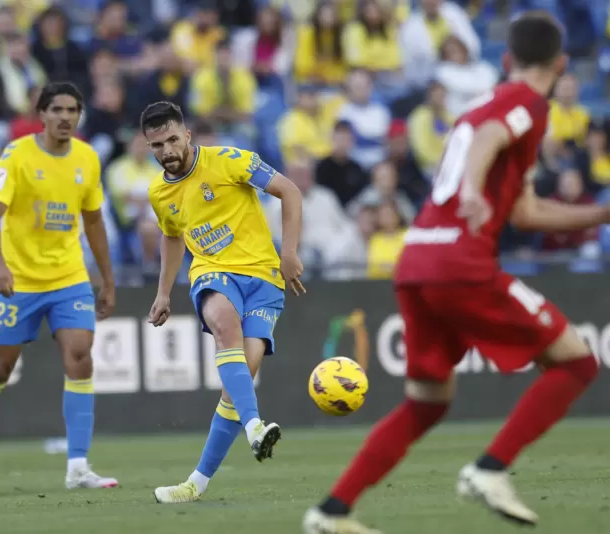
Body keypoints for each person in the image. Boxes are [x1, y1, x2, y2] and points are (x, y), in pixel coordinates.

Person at [304, 12, 601, 534]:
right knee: (577, 363)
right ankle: (490, 469)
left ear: (506, 59)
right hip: (459, 264)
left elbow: (527, 212)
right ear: (559, 64)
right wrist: (470, 193)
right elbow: (489, 139)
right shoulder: (526, 104)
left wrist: (600, 214)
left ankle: (331, 512)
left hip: (417, 260)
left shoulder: (478, 107)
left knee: (427, 402)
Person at [0, 82, 118, 495]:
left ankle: (77, 466)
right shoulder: (18, 154)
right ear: (42, 114)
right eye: (57, 109)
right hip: (19, 279)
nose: (66, 117)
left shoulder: (87, 159)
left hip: (69, 276)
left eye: (73, 110)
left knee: (80, 357)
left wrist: (107, 278)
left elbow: (93, 221)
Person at [142, 101, 305, 504]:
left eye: (172, 139)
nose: (167, 150)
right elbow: (172, 236)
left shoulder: (231, 160)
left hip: (265, 277)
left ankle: (196, 484)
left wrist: (289, 252)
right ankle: (254, 428)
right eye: (157, 145)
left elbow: (289, 190)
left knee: (239, 380)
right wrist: (163, 292)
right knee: (223, 325)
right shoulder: (160, 193)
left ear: (188, 135)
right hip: (213, 273)